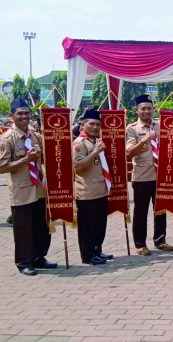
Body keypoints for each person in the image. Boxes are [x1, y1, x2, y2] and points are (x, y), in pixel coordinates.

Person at [0, 99, 56, 275]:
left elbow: (43, 159)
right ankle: (24, 262)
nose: (24, 117)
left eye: (26, 113)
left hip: (39, 188)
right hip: (21, 190)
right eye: (19, 113)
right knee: (23, 229)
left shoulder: (35, 135)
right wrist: (25, 160)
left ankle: (39, 257)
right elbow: (2, 167)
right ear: (12, 116)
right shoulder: (8, 138)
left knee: (42, 226)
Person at [126, 94, 173, 256]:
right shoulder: (132, 129)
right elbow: (129, 153)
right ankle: (140, 244)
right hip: (142, 176)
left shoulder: (161, 125)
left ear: (153, 109)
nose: (146, 111)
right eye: (143, 108)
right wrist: (144, 140)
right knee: (141, 211)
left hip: (161, 175)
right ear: (136, 110)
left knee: (160, 209)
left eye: (149, 108)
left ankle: (160, 240)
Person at [73, 107, 113, 265]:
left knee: (99, 224)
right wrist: (95, 153)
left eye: (98, 124)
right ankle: (87, 255)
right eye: (92, 124)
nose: (95, 127)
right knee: (87, 227)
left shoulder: (95, 141)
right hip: (86, 191)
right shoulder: (79, 143)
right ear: (83, 125)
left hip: (100, 190)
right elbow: (78, 166)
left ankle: (97, 250)